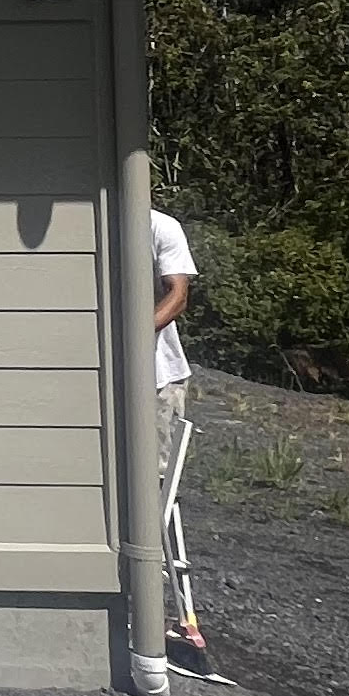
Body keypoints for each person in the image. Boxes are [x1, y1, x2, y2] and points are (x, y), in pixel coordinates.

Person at [150, 201, 207, 668]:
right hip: (103, 375)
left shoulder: (159, 227)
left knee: (151, 487)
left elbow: (178, 295)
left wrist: (130, 333)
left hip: (155, 378)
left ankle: (146, 604)